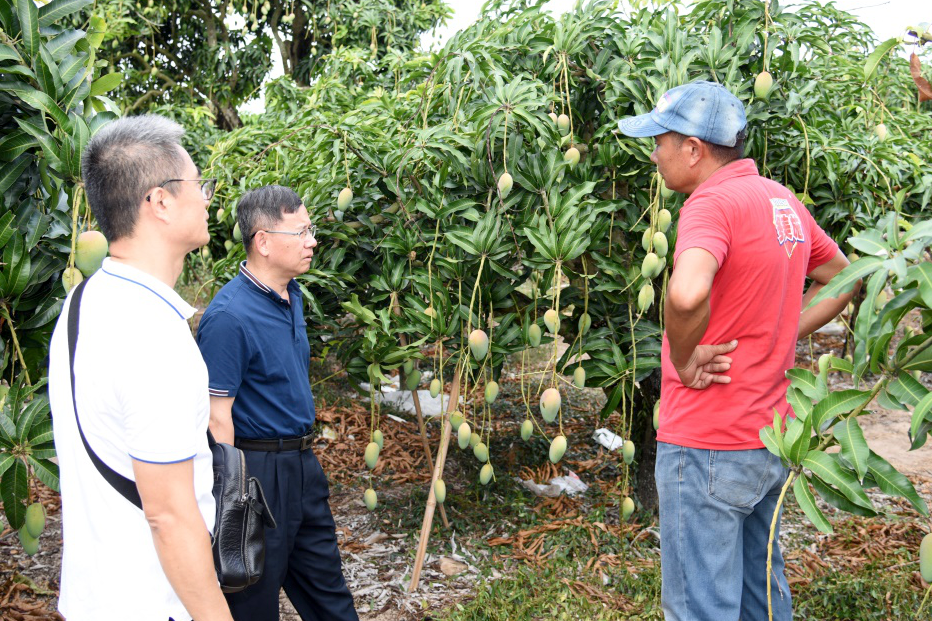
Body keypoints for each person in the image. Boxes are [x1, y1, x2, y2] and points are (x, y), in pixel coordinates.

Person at [617, 81, 856, 620]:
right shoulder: (781, 200)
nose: (653, 155)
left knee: (702, 609)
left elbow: (685, 293)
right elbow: (845, 277)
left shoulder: (709, 205)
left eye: (659, 141)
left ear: (693, 149)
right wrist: (783, 329)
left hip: (707, 444)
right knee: (761, 601)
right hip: (770, 440)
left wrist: (683, 360)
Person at [48, 115, 233, 621]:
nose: (207, 199)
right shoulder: (150, 333)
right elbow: (168, 516)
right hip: (153, 603)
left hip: (94, 598)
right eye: (199, 185)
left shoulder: (84, 301)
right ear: (160, 202)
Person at [196, 185, 358, 621]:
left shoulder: (292, 294)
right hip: (257, 475)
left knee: (330, 596)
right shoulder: (228, 318)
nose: (312, 241)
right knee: (253, 601)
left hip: (302, 467)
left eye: (311, 229)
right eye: (301, 232)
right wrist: (230, 504)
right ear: (264, 241)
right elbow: (216, 417)